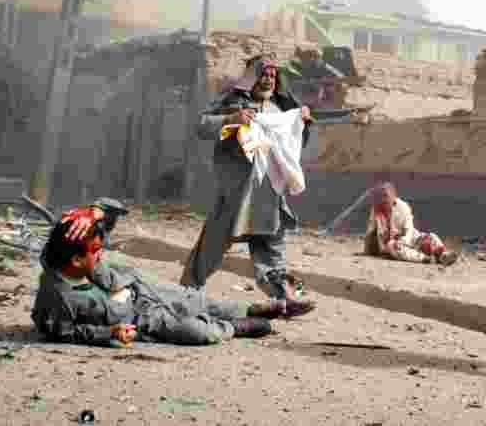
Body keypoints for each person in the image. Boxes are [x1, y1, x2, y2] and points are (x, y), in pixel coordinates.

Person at [32, 203, 311, 347]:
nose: (100, 255)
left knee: (195, 300)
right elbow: (64, 332)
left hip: (139, 289)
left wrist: (88, 214)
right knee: (197, 332)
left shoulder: (68, 254)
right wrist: (110, 333)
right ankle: (236, 327)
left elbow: (68, 235)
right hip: (137, 319)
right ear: (77, 258)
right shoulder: (58, 296)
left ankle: (261, 308)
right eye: (95, 251)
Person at [179, 54, 316, 308]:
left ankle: (283, 297)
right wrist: (231, 119)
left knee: (271, 248)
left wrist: (302, 123)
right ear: (252, 78)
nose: (268, 80)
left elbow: (294, 147)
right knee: (212, 245)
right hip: (237, 191)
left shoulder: (283, 109)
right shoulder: (234, 103)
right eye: (263, 75)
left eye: (273, 76)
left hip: (269, 192)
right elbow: (202, 125)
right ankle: (186, 292)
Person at [363, 182, 461, 266]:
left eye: (386, 196)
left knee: (431, 237)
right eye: (381, 196)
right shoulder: (376, 209)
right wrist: (367, 249)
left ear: (394, 196)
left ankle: (443, 255)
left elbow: (409, 230)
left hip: (408, 240)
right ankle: (426, 259)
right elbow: (370, 230)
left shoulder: (403, 207)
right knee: (393, 246)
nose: (383, 199)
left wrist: (404, 241)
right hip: (391, 247)